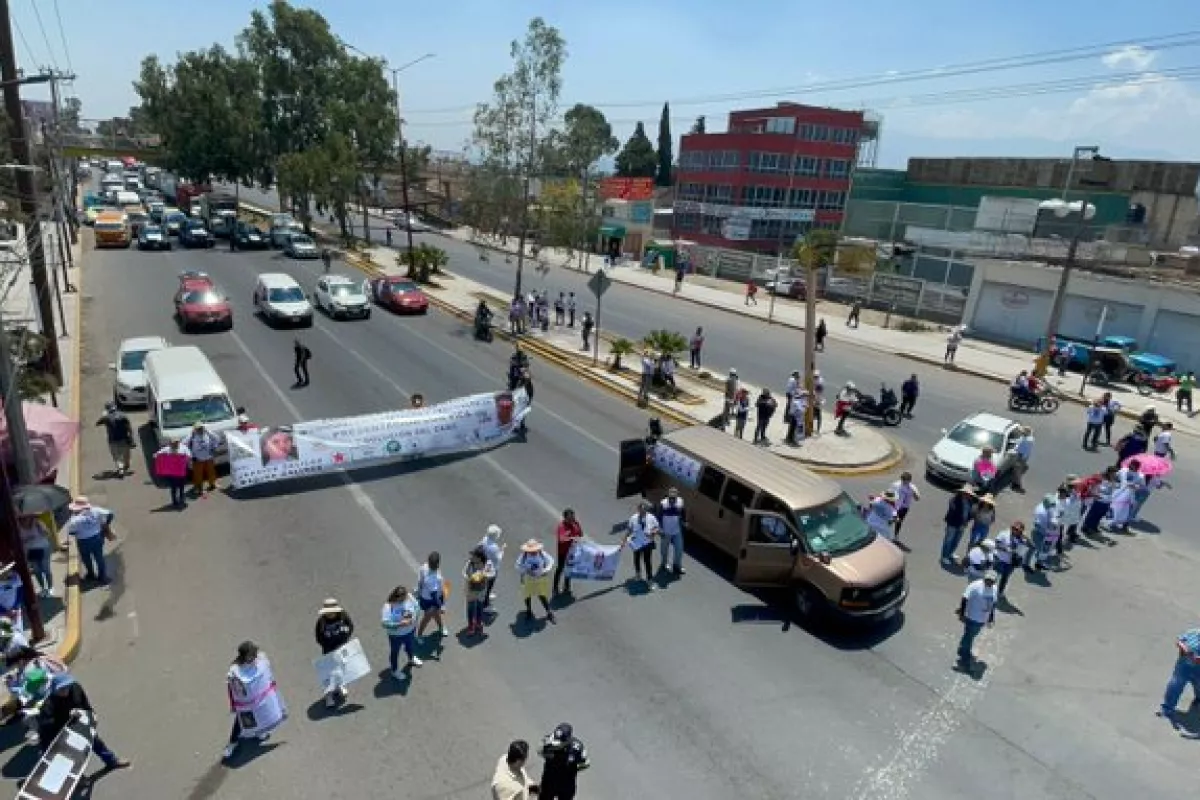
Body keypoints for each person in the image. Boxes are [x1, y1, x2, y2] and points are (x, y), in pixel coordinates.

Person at [37, 674, 131, 771]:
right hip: (60, 732)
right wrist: (67, 716)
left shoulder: (75, 688)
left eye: (66, 687)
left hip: (77, 723)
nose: (65, 691)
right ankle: (76, 777)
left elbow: (84, 702)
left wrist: (91, 715)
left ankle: (112, 761)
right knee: (70, 756)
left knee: (95, 741)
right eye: (61, 689)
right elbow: (47, 725)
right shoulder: (49, 705)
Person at [223, 640, 286, 760]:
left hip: (261, 698)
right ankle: (232, 743)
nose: (254, 656)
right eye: (251, 654)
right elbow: (233, 687)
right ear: (244, 656)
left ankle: (259, 732)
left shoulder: (261, 660)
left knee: (262, 715)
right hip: (246, 704)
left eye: (254, 653)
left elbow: (267, 673)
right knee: (240, 722)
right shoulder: (235, 669)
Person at [60, 497, 116, 585]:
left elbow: (71, 532)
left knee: (86, 559)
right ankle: (103, 577)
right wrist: (104, 524)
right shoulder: (96, 510)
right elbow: (110, 514)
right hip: (97, 538)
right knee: (99, 557)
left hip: (83, 541)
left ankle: (91, 574)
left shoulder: (75, 520)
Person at [314, 598, 354, 707]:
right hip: (329, 651)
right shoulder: (321, 622)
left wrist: (345, 637)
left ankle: (340, 686)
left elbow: (350, 627)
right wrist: (328, 643)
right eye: (328, 612)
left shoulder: (343, 616)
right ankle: (329, 696)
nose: (330, 614)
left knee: (341, 669)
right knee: (329, 673)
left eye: (332, 611)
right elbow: (318, 638)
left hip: (341, 649)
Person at [956, 571, 998, 672]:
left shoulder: (994, 589)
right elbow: (964, 598)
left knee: (970, 635)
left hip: (982, 619)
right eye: (988, 580)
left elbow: (992, 604)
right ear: (984, 578)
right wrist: (961, 613)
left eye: (991, 581)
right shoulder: (975, 586)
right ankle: (964, 660)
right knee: (969, 637)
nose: (989, 582)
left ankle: (962, 650)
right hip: (972, 617)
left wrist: (991, 618)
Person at [1158, 626, 1200, 723]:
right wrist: (1185, 648)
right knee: (1175, 686)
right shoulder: (1193, 632)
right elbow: (1179, 640)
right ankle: (1167, 709)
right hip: (1183, 667)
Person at [539, 722, 591, 800]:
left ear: (568, 741)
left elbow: (586, 763)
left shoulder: (577, 748)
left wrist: (574, 767)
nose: (557, 745)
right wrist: (548, 754)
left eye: (560, 743)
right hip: (549, 780)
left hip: (566, 784)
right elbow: (539, 750)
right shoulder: (548, 741)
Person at [381, 586, 422, 677]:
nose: (404, 600)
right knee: (395, 652)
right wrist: (400, 624)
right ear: (396, 597)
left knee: (410, 647)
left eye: (405, 597)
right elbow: (384, 623)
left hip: (410, 631)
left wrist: (414, 619)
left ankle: (411, 659)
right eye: (402, 598)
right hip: (396, 635)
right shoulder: (388, 606)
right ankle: (394, 670)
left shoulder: (409, 597)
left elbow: (417, 607)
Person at [515, 539, 556, 623]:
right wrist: (525, 571)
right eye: (531, 550)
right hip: (528, 579)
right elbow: (517, 565)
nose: (533, 552)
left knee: (542, 596)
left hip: (540, 578)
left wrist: (545, 570)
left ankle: (549, 612)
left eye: (534, 550)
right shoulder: (524, 556)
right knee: (527, 595)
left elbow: (551, 561)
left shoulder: (542, 554)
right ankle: (529, 611)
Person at [623, 501, 660, 588]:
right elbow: (629, 529)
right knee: (636, 559)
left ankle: (650, 580)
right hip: (636, 543)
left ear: (646, 510)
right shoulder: (633, 518)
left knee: (647, 561)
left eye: (644, 510)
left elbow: (657, 527)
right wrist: (624, 540)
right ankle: (638, 574)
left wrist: (652, 532)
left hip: (647, 543)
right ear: (638, 509)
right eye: (641, 510)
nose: (642, 512)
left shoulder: (651, 517)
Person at [18, 513, 54, 597]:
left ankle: (50, 588)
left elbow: (48, 533)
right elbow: (18, 540)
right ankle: (43, 588)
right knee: (37, 571)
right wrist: (25, 540)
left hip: (43, 548)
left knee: (45, 569)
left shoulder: (37, 523)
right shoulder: (18, 526)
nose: (25, 518)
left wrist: (43, 530)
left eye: (27, 516)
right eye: (23, 517)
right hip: (30, 551)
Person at [95, 401, 135, 477]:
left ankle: (121, 469)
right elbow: (129, 428)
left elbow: (97, 423)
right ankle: (126, 465)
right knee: (126, 454)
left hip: (113, 441)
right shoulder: (123, 416)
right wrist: (131, 437)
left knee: (117, 456)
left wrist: (104, 416)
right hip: (124, 439)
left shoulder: (106, 418)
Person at [941, 485, 976, 565]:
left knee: (956, 540)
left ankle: (950, 553)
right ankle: (944, 556)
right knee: (948, 540)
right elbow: (953, 511)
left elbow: (970, 513)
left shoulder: (970, 501)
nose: (967, 495)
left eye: (968, 494)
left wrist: (968, 518)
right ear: (962, 492)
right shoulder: (954, 500)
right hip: (953, 523)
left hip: (963, 524)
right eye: (965, 493)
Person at [154, 437, 191, 509]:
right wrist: (160, 456)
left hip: (181, 472)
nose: (175, 444)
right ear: (170, 443)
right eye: (173, 443)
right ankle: (174, 501)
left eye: (176, 442)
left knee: (181, 487)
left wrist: (185, 458)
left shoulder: (183, 448)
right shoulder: (167, 449)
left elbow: (189, 455)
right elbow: (156, 455)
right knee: (173, 487)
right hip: (172, 474)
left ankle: (181, 499)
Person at [416, 552, 447, 639]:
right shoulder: (435, 577)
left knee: (436, 615)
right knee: (427, 618)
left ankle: (441, 627)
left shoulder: (423, 567)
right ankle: (419, 635)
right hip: (432, 600)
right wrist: (441, 606)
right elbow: (434, 595)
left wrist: (419, 593)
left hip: (426, 598)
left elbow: (420, 582)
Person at [552, 509, 583, 596]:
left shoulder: (575, 523)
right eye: (570, 518)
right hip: (563, 552)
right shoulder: (562, 526)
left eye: (573, 517)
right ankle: (555, 588)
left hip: (572, 552)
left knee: (569, 569)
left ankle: (566, 586)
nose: (572, 519)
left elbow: (581, 534)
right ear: (565, 518)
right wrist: (571, 538)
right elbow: (561, 540)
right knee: (560, 569)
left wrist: (577, 532)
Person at [463, 547, 492, 636]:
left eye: (474, 556)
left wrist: (484, 575)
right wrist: (471, 577)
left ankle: (478, 623)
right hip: (471, 589)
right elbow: (464, 573)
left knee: (479, 606)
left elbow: (492, 573)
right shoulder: (470, 563)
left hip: (481, 590)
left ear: (480, 558)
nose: (472, 557)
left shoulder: (487, 564)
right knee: (471, 608)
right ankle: (471, 626)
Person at [658, 487, 687, 577]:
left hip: (676, 530)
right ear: (668, 496)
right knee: (664, 549)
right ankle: (664, 563)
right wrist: (660, 529)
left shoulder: (680, 501)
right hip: (666, 531)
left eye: (674, 498)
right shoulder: (663, 504)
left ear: (677, 496)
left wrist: (684, 521)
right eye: (671, 497)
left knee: (679, 549)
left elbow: (683, 511)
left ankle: (677, 565)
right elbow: (658, 516)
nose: (672, 499)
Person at [186, 422, 220, 496]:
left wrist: (214, 447)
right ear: (195, 429)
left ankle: (212, 484)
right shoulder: (192, 436)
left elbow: (217, 439)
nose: (200, 429)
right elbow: (184, 445)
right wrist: (191, 456)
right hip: (198, 459)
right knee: (198, 475)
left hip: (209, 457)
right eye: (198, 428)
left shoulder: (208, 434)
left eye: (201, 427)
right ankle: (198, 487)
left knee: (211, 472)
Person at [992, 522, 1026, 597]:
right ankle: (989, 590)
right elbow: (996, 545)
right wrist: (1006, 549)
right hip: (1000, 559)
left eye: (1018, 530)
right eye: (1014, 528)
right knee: (994, 575)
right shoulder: (1004, 533)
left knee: (1005, 578)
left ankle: (1000, 592)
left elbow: (1025, 549)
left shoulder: (1022, 539)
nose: (1015, 531)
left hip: (1011, 563)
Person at [479, 524, 506, 609]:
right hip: (492, 569)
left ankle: (485, 595)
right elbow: (498, 559)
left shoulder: (484, 540)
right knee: (489, 585)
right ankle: (486, 604)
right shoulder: (494, 547)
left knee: (484, 584)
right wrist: (502, 550)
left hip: (483, 566)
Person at [890, 472, 921, 540]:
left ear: (909, 480)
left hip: (904, 508)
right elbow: (889, 493)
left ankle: (896, 536)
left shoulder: (913, 488)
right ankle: (885, 532)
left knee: (899, 521)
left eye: (905, 481)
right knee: (891, 519)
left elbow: (917, 499)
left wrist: (914, 493)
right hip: (895, 506)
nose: (903, 482)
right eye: (902, 480)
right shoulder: (896, 484)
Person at [1009, 426, 1033, 492]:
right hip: (1021, 457)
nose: (1021, 433)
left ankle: (1017, 485)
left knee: (1017, 472)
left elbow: (1022, 450)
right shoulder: (1025, 438)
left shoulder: (1027, 441)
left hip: (1021, 458)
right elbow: (1019, 441)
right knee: (1016, 471)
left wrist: (1020, 460)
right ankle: (1014, 483)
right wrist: (1011, 441)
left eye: (1023, 432)